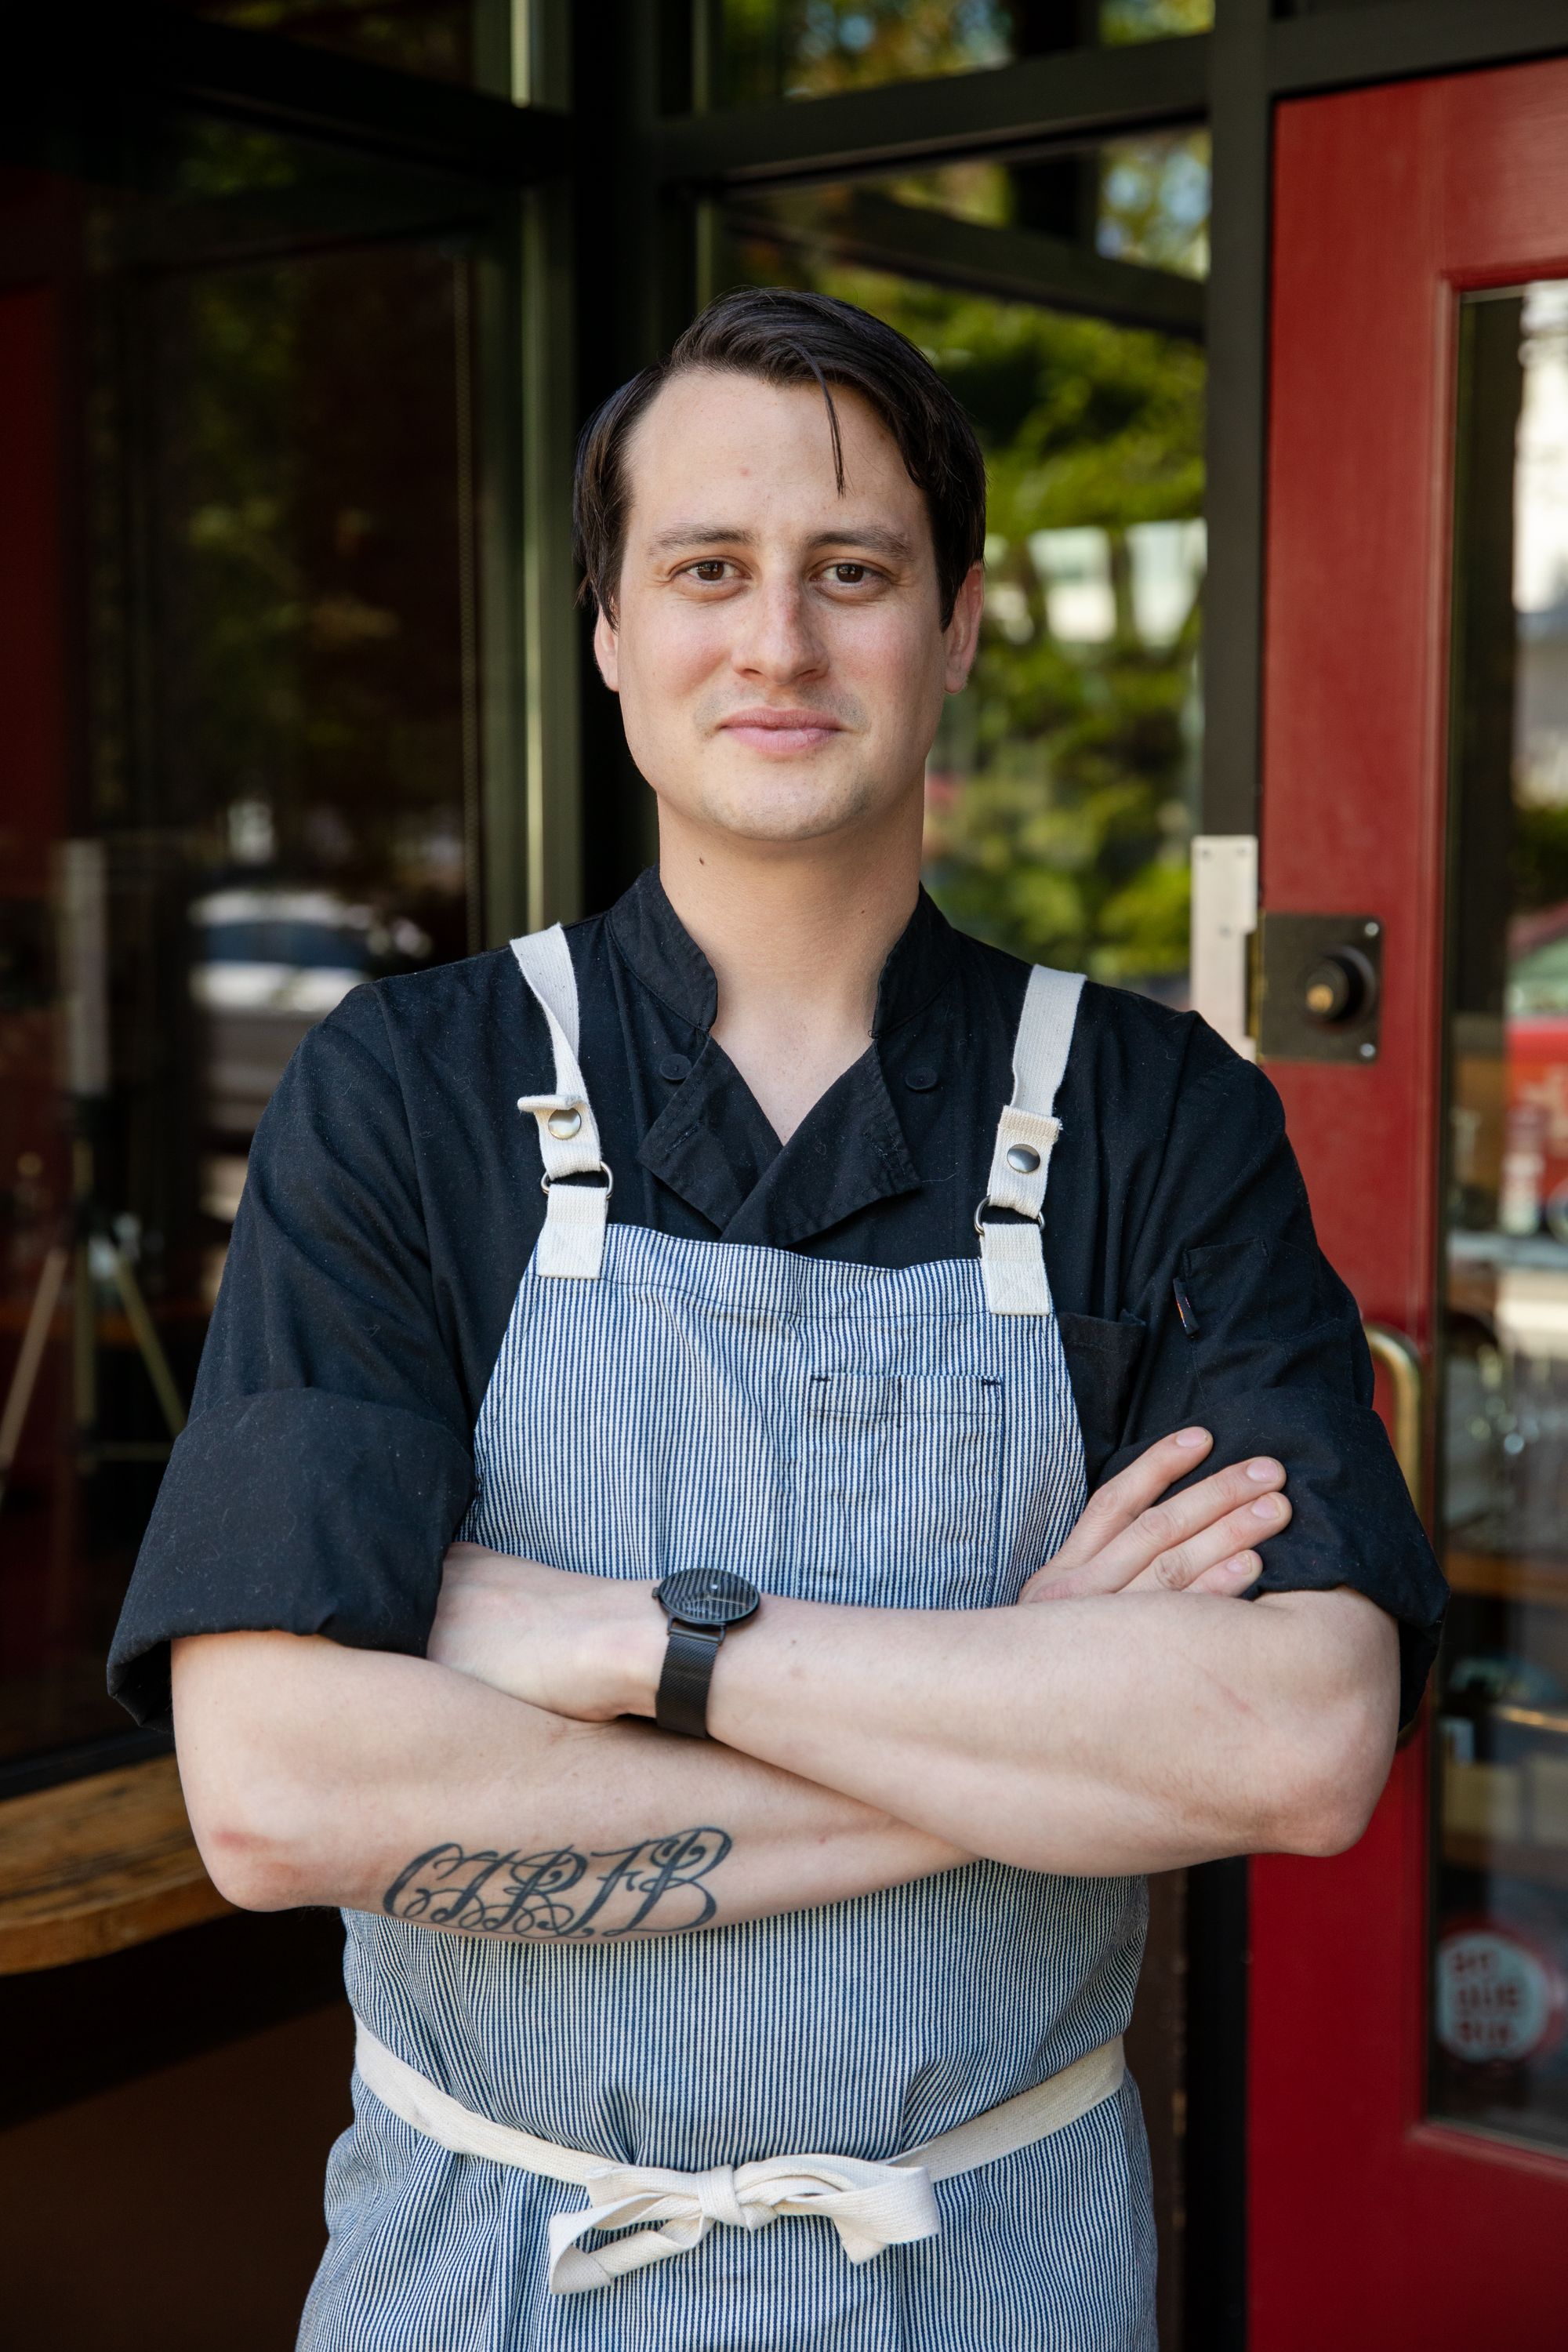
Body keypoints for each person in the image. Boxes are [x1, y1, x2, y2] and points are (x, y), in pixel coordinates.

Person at [109, 288, 1446, 2350]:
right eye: (708, 571)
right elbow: (287, 1789)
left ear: (963, 621)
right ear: (609, 633)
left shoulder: (1158, 1116)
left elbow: (1295, 1742)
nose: (780, 640)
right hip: (485, 2277)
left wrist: (609, 1640)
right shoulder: (409, 1090)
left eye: (853, 571)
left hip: (1001, 2277)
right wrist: (1032, 1712)